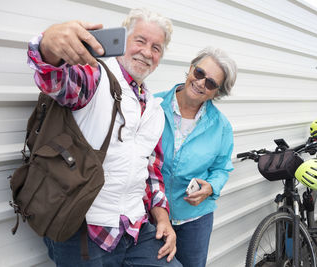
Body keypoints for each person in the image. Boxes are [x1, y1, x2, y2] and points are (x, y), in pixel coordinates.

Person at [27, 8, 182, 267]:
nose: (147, 52)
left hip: (134, 228)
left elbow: (152, 171)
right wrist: (48, 45)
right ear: (121, 42)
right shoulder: (94, 76)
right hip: (82, 228)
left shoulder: (155, 109)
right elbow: (54, 78)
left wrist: (163, 218)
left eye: (156, 47)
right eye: (140, 41)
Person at [155, 47, 237, 267]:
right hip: (152, 214)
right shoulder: (152, 106)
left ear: (217, 93)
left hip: (195, 220)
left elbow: (222, 168)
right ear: (191, 69)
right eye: (200, 73)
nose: (201, 83)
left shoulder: (221, 126)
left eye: (211, 83)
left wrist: (210, 187)